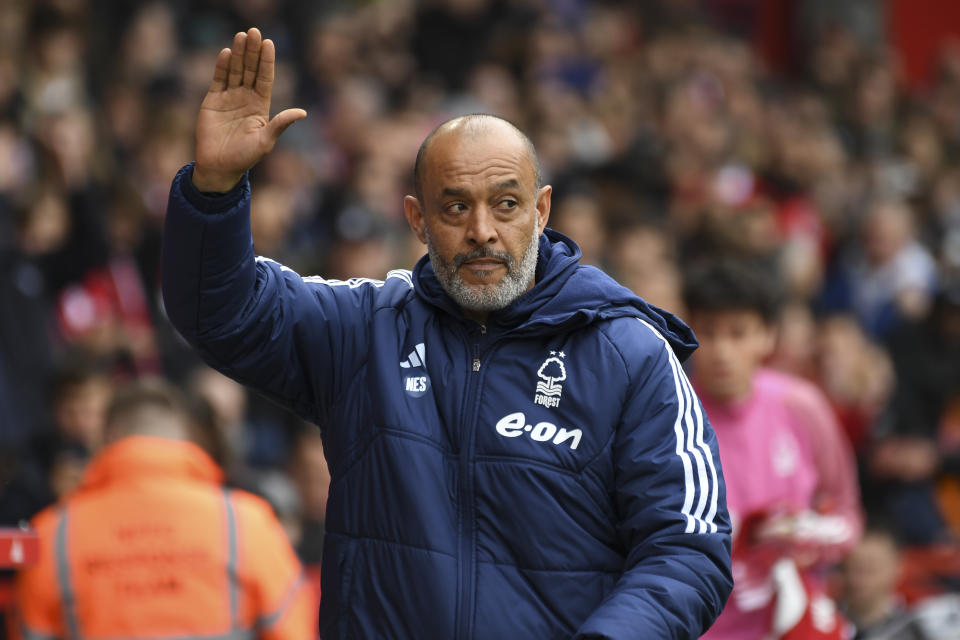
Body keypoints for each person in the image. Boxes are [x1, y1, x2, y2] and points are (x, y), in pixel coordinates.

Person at [161, 28, 732, 639]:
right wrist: (215, 191)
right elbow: (220, 313)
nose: (482, 230)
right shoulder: (365, 329)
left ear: (540, 212)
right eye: (455, 207)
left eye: (505, 204)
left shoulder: (629, 354)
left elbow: (688, 547)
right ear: (417, 219)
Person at [15, 379, 316, 640]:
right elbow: (292, 629)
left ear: (105, 441)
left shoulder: (51, 535)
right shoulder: (246, 521)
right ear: (185, 440)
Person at [684, 259, 863, 640]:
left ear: (768, 335)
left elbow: (848, 516)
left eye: (738, 333)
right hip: (698, 624)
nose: (722, 351)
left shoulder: (802, 405)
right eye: (709, 332)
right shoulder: (667, 412)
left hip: (790, 621)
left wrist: (806, 538)